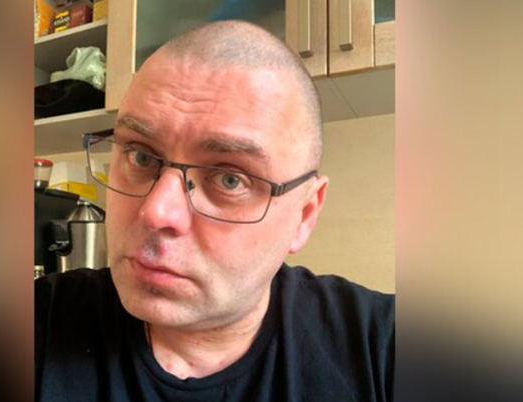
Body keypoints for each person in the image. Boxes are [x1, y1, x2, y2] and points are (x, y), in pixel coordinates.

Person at [35, 20, 394, 402]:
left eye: (230, 179)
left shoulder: (383, 349)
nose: (157, 212)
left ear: (305, 215)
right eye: (141, 156)